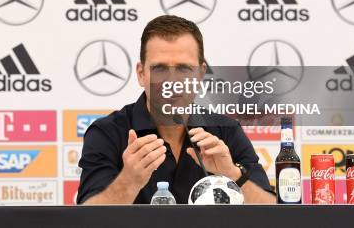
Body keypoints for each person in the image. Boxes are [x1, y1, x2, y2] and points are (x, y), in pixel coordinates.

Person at [77, 15, 276, 204]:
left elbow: (273, 212)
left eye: (183, 68)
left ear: (201, 74)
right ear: (141, 74)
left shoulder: (227, 130)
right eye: (160, 69)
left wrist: (233, 175)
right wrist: (129, 181)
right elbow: (85, 218)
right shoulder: (107, 133)